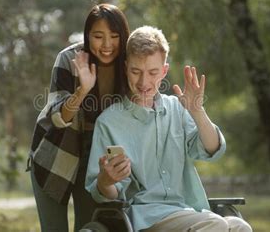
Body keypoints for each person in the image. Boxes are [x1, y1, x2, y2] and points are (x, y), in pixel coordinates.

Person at [85, 26, 252, 231]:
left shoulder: (177, 109)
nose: (144, 82)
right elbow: (104, 193)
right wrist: (106, 179)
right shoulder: (109, 122)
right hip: (145, 218)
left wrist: (197, 112)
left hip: (187, 211)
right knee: (215, 224)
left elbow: (212, 150)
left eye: (153, 72)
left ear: (164, 71)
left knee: (239, 226)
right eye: (136, 71)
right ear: (126, 68)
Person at [27, 3, 130, 231]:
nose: (107, 45)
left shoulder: (129, 65)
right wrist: (83, 90)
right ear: (87, 35)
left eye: (114, 36)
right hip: (55, 158)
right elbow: (57, 117)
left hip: (96, 165)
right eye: (98, 36)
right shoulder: (69, 59)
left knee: (89, 227)